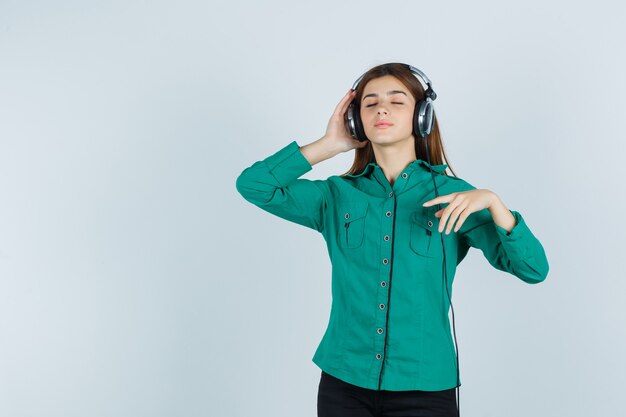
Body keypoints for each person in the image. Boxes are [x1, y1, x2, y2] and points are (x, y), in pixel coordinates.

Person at [235, 63, 549, 417]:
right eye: (369, 103)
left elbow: (533, 269)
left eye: (396, 101)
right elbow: (254, 185)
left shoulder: (458, 198)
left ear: (421, 117)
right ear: (356, 120)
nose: (381, 109)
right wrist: (329, 145)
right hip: (344, 381)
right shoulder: (335, 196)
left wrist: (493, 202)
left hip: (425, 387)